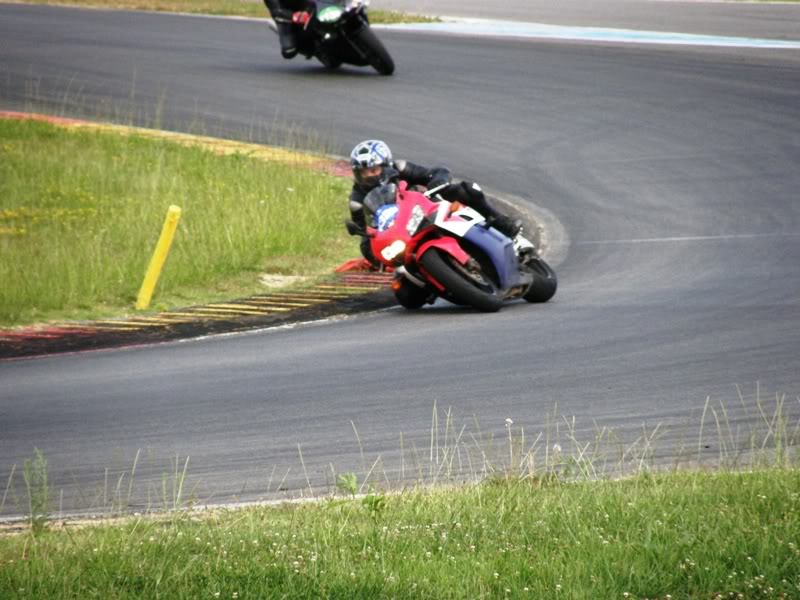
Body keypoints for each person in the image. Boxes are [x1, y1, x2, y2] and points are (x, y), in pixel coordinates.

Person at [348, 139, 523, 267]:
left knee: (466, 190)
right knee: (406, 295)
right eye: (364, 173)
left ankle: (500, 221)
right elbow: (365, 233)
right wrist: (377, 255)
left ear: (385, 165)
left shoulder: (400, 168)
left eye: (373, 170)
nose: (369, 176)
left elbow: (435, 172)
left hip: (425, 209)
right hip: (400, 234)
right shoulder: (357, 200)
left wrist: (438, 181)